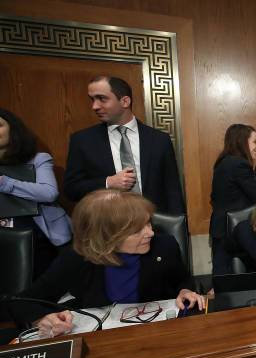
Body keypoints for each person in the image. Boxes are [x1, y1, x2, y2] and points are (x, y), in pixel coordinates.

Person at [9, 189, 203, 338]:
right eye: (137, 230)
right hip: (102, 340)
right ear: (107, 237)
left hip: (156, 333)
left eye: (148, 223)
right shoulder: (77, 258)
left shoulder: (163, 246)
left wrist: (185, 291)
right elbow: (23, 303)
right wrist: (43, 319)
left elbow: (182, 280)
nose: (150, 233)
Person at [64, 76, 185, 214]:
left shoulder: (159, 139)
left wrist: (178, 230)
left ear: (125, 101)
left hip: (154, 226)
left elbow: (172, 190)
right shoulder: (82, 141)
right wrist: (108, 183)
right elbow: (71, 189)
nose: (95, 106)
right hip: (107, 227)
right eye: (92, 99)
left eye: (102, 99)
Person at [0, 109, 71, 277]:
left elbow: (49, 193)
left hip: (40, 234)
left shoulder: (38, 159)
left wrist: (5, 183)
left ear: (13, 129)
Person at [210, 124, 256, 275]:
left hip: (220, 229)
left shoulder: (223, 162)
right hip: (234, 233)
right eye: (255, 142)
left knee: (222, 277)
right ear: (242, 142)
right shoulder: (240, 165)